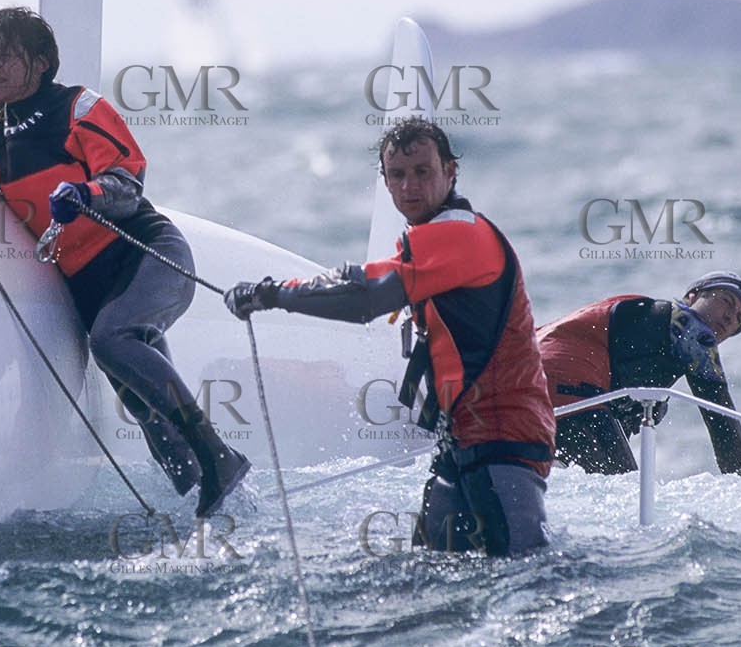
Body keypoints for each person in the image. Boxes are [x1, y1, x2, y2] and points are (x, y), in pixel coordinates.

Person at [0, 7, 249, 517]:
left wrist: (88, 192)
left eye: (6, 56)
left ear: (40, 62)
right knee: (141, 405)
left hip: (145, 258)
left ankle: (221, 456)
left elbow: (127, 181)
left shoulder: (80, 108)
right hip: (86, 288)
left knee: (114, 341)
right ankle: (206, 506)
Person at [223, 117, 555, 557]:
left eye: (423, 172)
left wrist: (272, 294)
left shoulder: (460, 236)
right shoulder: (429, 240)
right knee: (428, 570)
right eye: (397, 176)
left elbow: (363, 297)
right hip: (462, 441)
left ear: (451, 172)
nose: (409, 186)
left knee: (525, 569)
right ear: (384, 181)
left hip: (502, 440)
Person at [537, 273, 741, 479]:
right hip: (564, 383)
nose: (729, 317)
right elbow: (721, 420)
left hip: (522, 383)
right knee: (622, 495)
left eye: (738, 318)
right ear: (693, 296)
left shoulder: (647, 328)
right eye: (726, 301)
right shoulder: (686, 328)